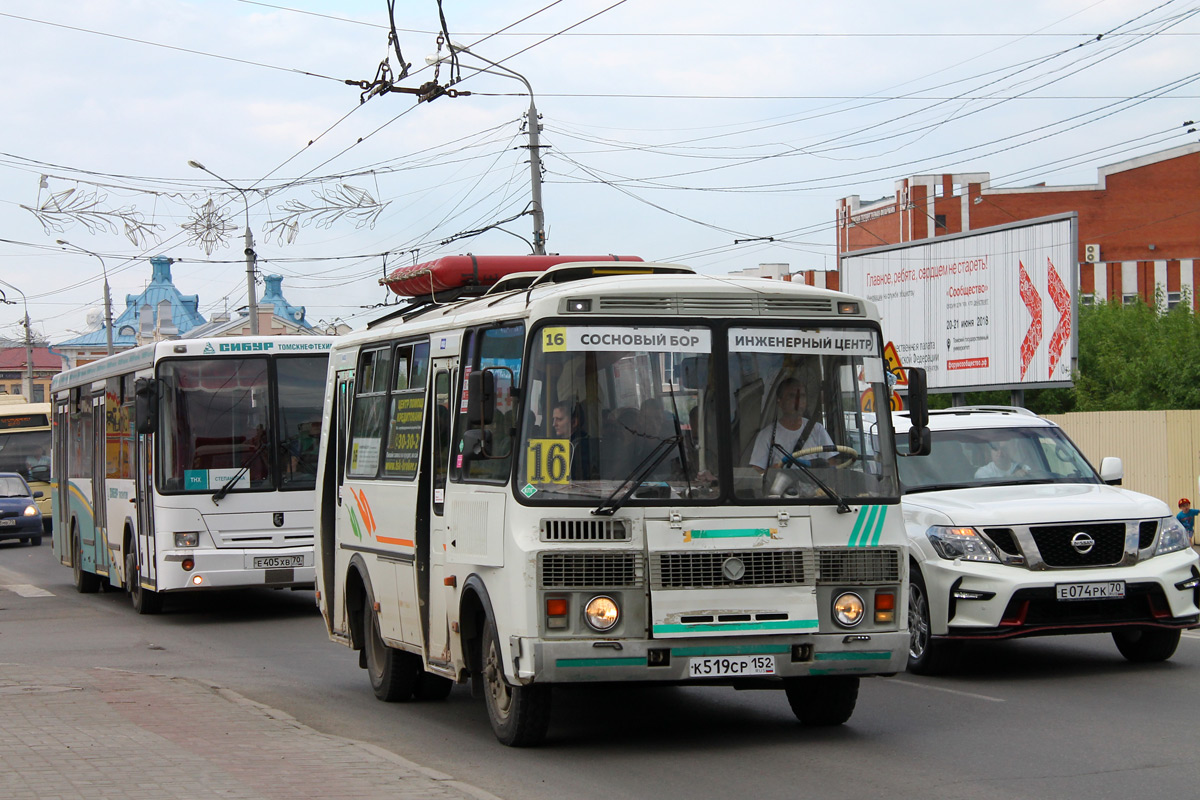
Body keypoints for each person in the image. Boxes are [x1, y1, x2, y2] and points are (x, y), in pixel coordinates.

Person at [749, 378, 833, 472]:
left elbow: (832, 467)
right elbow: (757, 473)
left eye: (802, 396)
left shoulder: (817, 430)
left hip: (816, 486)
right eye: (792, 396)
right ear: (780, 401)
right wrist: (772, 472)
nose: (798, 402)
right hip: (781, 486)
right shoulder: (767, 435)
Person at [551, 400, 594, 479]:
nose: (554, 424)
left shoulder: (585, 445)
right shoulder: (552, 444)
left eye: (559, 419)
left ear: (574, 422)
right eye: (553, 419)